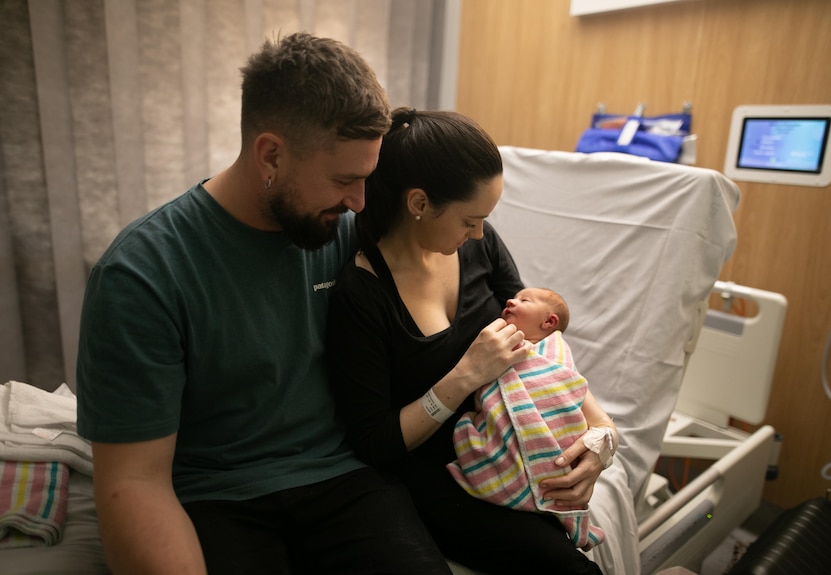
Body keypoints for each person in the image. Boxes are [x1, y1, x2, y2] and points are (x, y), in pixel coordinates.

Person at [76, 33, 452, 575]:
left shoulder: (352, 234)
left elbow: (481, 275)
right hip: (215, 495)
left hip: (344, 479)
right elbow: (134, 481)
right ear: (271, 154)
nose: (359, 204)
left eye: (366, 179)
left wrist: (590, 423)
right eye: (345, 180)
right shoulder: (142, 274)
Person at [326, 107, 613, 574]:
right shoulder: (361, 295)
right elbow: (374, 442)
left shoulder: (479, 245)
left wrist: (602, 435)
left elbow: (539, 344)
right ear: (418, 203)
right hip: (441, 473)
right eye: (469, 220)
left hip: (514, 436)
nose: (479, 232)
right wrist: (463, 378)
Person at [447, 287, 615, 551]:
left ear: (548, 322)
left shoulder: (555, 356)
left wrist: (605, 436)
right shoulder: (500, 344)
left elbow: (567, 389)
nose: (510, 300)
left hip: (555, 447)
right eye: (513, 298)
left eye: (523, 300)